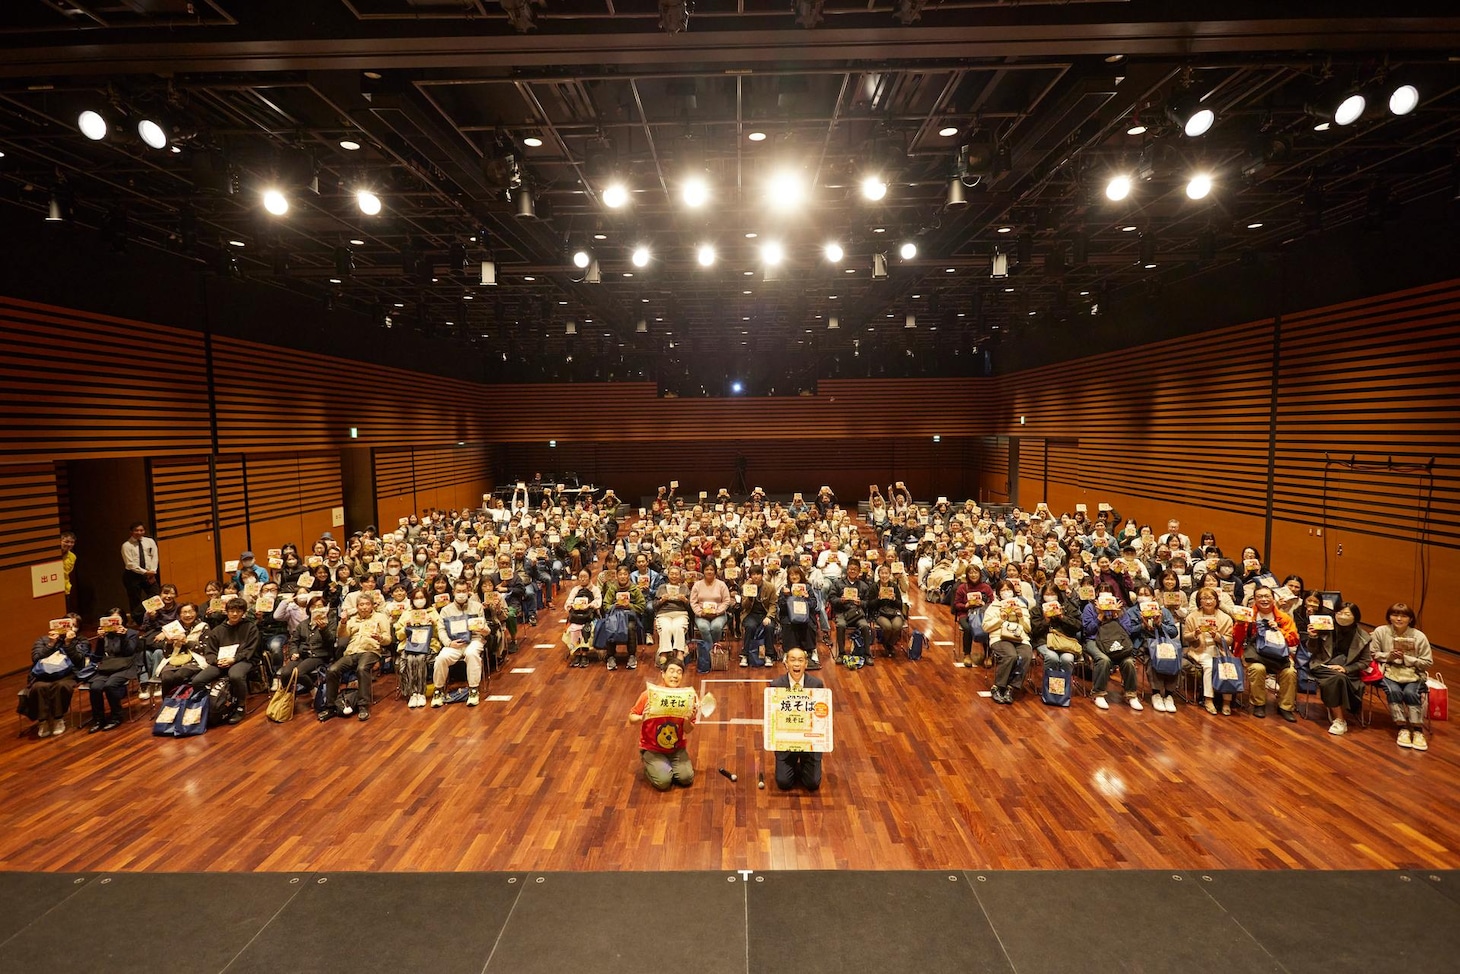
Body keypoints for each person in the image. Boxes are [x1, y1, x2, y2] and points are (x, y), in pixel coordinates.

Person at [627, 658, 699, 790]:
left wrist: (688, 719)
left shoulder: (687, 697)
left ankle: (666, 765)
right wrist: (642, 717)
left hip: (676, 748)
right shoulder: (649, 695)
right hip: (652, 749)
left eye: (679, 672)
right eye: (671, 671)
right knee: (664, 782)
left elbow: (688, 730)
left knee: (686, 778)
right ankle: (650, 764)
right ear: (663, 674)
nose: (675, 675)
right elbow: (631, 717)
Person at [1370, 602, 1433, 751]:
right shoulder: (1380, 631)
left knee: (1411, 692)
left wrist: (1407, 659)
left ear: (1410, 619)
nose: (1399, 619)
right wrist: (1389, 656)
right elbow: (1372, 653)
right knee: (1394, 691)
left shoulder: (1419, 636)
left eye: (1403, 616)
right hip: (1388, 671)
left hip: (1414, 673)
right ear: (1389, 617)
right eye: (1395, 615)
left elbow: (1427, 662)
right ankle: (1402, 727)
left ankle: (1418, 730)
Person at [320, 590, 392, 722]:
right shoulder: (352, 620)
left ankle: (363, 705)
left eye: (367, 604)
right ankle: (330, 706)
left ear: (372, 605)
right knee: (332, 670)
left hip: (371, 651)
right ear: (357, 607)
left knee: (362, 668)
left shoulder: (380, 618)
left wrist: (380, 637)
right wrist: (342, 623)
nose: (364, 607)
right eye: (361, 605)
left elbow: (388, 639)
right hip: (352, 652)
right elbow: (342, 635)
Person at [1233, 585, 1299, 723]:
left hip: (1278, 654)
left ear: (1273, 599)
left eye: (1267, 596)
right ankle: (1259, 704)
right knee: (1257, 669)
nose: (1264, 599)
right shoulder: (1249, 615)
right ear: (1255, 600)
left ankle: (1285, 707)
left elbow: (1294, 640)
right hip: (1254, 654)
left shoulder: (1283, 618)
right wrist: (1240, 624)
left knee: (1290, 671)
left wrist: (1280, 631)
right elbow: (1237, 639)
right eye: (1260, 597)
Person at [192, 597, 260, 725]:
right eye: (232, 611)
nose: (235, 614)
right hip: (221, 661)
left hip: (243, 660)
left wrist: (234, 659)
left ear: (243, 613)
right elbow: (210, 652)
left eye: (239, 611)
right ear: (226, 612)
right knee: (198, 680)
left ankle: (240, 707)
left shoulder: (251, 628)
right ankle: (209, 706)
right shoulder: (218, 630)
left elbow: (250, 650)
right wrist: (216, 661)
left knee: (235, 675)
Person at [1307, 602, 1371, 736]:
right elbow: (1312, 650)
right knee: (1337, 678)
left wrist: (1346, 669)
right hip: (1322, 665)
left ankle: (1334, 709)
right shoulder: (1325, 627)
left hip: (1347, 670)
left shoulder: (1363, 636)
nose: (1342, 616)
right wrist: (1313, 637)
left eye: (1347, 614)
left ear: (1355, 617)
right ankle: (1340, 719)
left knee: (1337, 678)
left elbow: (1365, 662)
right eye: (1339, 613)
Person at [21, 614, 89, 738]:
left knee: (61, 686)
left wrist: (68, 644)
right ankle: (43, 722)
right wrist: (51, 644)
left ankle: (58, 719)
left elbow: (80, 661)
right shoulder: (43, 640)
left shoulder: (81, 641)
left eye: (74, 626)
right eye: (68, 625)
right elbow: (36, 658)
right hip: (44, 674)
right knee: (39, 687)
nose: (71, 628)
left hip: (68, 673)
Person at [770, 647, 824, 792]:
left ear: (806, 664)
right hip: (786, 744)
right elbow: (772, 719)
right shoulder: (776, 685)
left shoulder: (816, 685)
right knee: (784, 783)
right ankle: (791, 764)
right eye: (792, 660)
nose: (796, 664)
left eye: (800, 660)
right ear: (786, 663)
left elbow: (822, 718)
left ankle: (804, 764)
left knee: (813, 784)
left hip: (810, 744)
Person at [432, 579, 485, 706]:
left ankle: (473, 690)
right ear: (453, 592)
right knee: (441, 658)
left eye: (464, 591)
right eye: (458, 591)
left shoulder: (477, 607)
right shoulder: (445, 610)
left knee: (471, 654)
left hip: (474, 640)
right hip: (454, 643)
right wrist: (449, 643)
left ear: (468, 592)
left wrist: (482, 629)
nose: (461, 594)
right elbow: (441, 630)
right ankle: (438, 690)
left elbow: (483, 628)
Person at [1182, 587, 1234, 715]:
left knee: (1227, 667)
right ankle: (1208, 699)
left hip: (1220, 650)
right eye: (1204, 598)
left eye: (1211, 598)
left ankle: (1227, 701)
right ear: (1199, 601)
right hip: (1200, 650)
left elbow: (1229, 640)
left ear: (1216, 600)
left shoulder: (1225, 618)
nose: (1208, 601)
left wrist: (1216, 636)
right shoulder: (1192, 617)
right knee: (1210, 665)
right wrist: (1195, 633)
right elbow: (1186, 636)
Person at [87, 610, 140, 732]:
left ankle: (116, 717)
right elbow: (98, 655)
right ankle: (98, 719)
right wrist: (100, 639)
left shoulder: (131, 633)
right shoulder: (106, 634)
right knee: (95, 687)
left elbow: (129, 652)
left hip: (126, 665)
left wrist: (122, 637)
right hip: (108, 666)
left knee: (111, 685)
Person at [983, 591, 1032, 704]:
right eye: (1003, 590)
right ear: (999, 593)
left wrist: (1020, 617)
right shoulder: (993, 607)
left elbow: (1028, 628)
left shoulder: (1022, 605)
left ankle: (1011, 687)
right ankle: (998, 687)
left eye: (1009, 590)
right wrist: (1001, 619)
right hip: (999, 637)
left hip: (1020, 637)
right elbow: (986, 627)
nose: (1006, 593)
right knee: (1010, 655)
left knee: (1026, 655)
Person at [689, 561, 731, 671]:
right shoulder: (697, 585)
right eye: (707, 569)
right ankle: (711, 652)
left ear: (715, 572)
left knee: (716, 627)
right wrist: (700, 612)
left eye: (711, 569)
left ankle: (711, 650)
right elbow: (693, 602)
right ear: (703, 571)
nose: (709, 571)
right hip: (702, 614)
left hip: (719, 614)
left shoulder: (721, 585)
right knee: (704, 627)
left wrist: (718, 611)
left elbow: (726, 601)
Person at [120, 521, 161, 626]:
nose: (139, 532)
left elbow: (154, 556)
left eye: (141, 530)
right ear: (131, 532)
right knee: (135, 599)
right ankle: (139, 622)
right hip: (132, 575)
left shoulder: (150, 541)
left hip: (149, 574)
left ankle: (136, 614)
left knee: (155, 594)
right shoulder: (126, 545)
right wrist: (146, 572)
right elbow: (130, 564)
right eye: (136, 530)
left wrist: (152, 571)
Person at [59, 532, 77, 613]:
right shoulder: (52, 555)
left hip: (65, 589)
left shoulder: (72, 557)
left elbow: (67, 572)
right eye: (66, 542)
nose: (69, 544)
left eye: (72, 542)